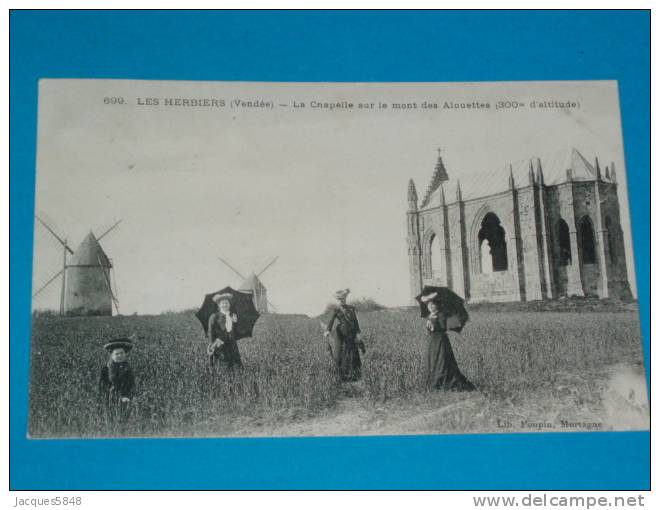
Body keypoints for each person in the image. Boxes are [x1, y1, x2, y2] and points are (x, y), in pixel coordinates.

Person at [422, 294, 475, 391]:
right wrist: (429, 327)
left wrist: (434, 326)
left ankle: (445, 383)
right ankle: (434, 383)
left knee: (442, 361)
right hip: (432, 341)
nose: (430, 307)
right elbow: (429, 331)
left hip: (441, 341)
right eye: (429, 305)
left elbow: (443, 327)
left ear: (437, 305)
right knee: (433, 360)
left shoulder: (441, 314)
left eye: (432, 305)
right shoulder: (429, 316)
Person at [324, 289, 366, 382]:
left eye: (343, 299)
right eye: (340, 299)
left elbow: (355, 321)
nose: (342, 300)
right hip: (341, 334)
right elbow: (331, 320)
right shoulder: (336, 309)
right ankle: (341, 376)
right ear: (337, 300)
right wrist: (327, 330)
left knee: (352, 352)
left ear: (346, 298)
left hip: (352, 333)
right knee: (341, 353)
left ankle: (354, 375)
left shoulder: (351, 308)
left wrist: (358, 333)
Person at [99, 338, 136, 425]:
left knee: (125, 422)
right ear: (112, 355)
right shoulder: (106, 369)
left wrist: (127, 396)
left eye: (122, 353)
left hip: (126, 401)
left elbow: (131, 385)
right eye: (117, 354)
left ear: (125, 354)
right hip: (110, 402)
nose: (120, 356)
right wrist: (113, 397)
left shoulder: (128, 369)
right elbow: (102, 387)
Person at [207, 293, 243, 371]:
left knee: (237, 367)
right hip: (220, 344)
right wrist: (212, 344)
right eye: (222, 303)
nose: (225, 305)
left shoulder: (233, 315)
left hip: (232, 344)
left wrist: (235, 323)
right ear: (219, 305)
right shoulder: (214, 317)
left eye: (226, 303)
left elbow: (236, 333)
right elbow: (210, 332)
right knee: (223, 367)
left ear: (229, 304)